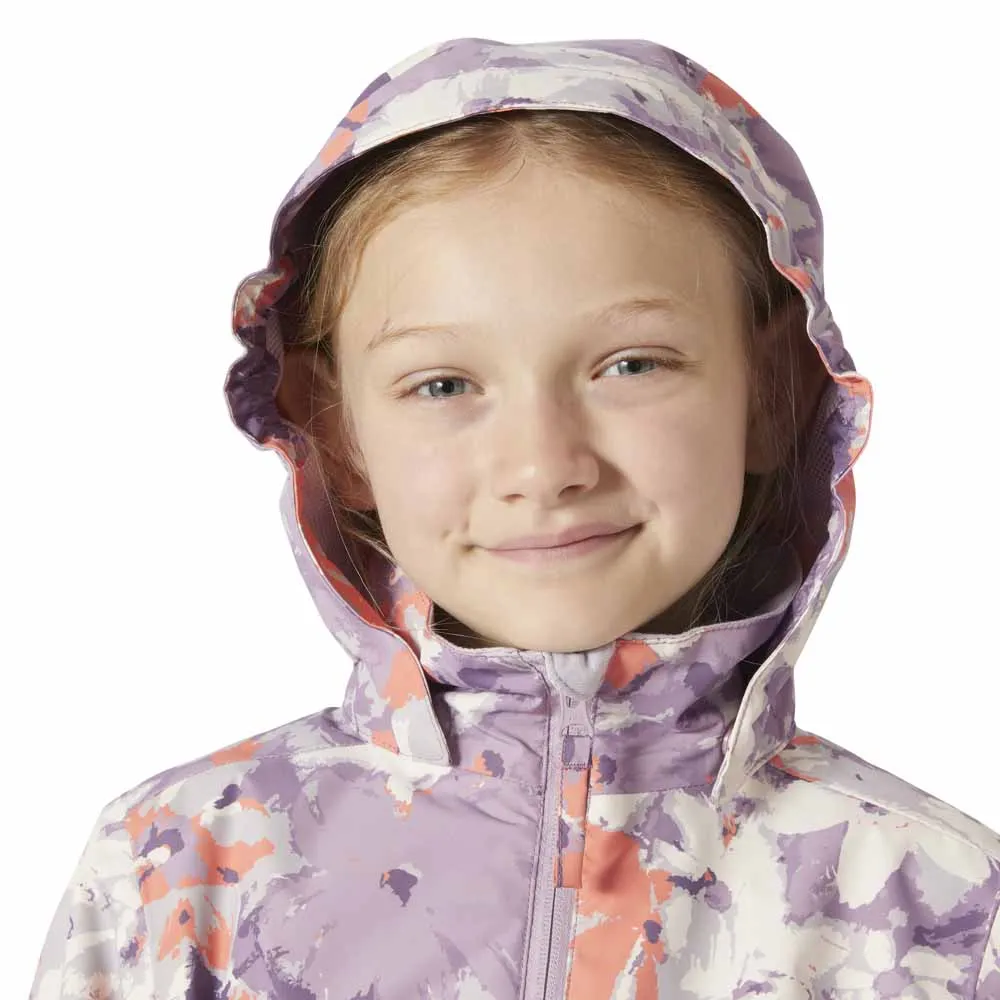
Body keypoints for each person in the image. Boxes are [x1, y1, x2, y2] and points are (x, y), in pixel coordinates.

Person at [27, 36, 1000, 1000]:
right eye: (443, 383)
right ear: (338, 431)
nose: (544, 466)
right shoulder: (175, 876)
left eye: (632, 364)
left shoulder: (941, 908)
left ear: (772, 390)